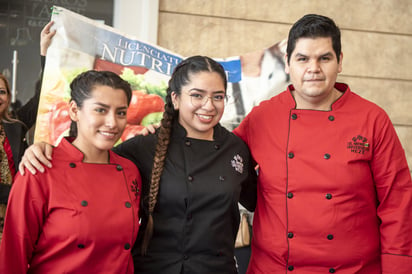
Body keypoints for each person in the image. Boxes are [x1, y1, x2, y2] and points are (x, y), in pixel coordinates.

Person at [18, 55, 258, 273]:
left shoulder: (236, 149)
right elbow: (90, 162)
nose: (209, 105)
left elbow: (261, 201)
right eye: (197, 95)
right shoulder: (144, 147)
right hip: (153, 269)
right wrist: (44, 148)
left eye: (218, 96)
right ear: (175, 98)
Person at [232, 14, 412, 273]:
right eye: (303, 58)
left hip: (354, 269)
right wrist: (162, 132)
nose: (313, 68)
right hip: (274, 268)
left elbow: (398, 202)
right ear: (287, 63)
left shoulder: (372, 119)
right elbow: (217, 154)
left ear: (340, 61)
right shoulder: (262, 117)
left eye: (324, 58)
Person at [0, 70, 142, 273]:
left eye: (120, 113)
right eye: (101, 110)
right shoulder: (39, 169)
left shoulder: (130, 171)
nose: (112, 123)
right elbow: (12, 257)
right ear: (74, 111)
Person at [0, 21, 56, 241]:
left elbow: (43, 92)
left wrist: (45, 51)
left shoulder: (17, 124)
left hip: (16, 211)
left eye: (2, 92)